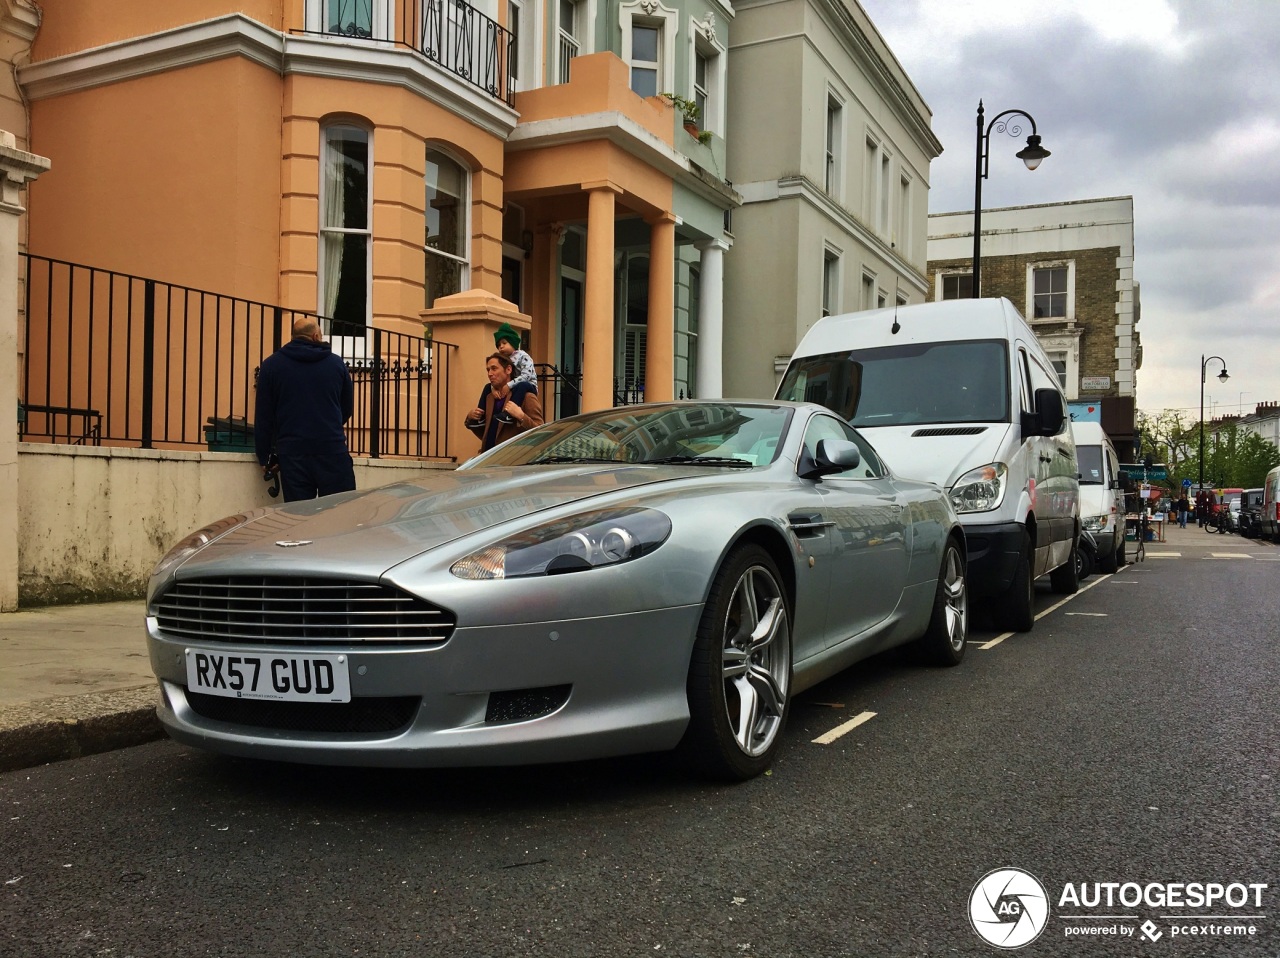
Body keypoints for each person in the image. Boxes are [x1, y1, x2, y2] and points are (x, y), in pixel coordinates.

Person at [254, 317, 356, 502]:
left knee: (299, 518)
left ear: (293, 337)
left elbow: (264, 416)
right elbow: (347, 408)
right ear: (316, 336)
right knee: (340, 515)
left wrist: (266, 456)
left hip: (292, 454)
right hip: (331, 450)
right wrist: (327, 425)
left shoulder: (271, 366)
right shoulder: (336, 364)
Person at [465, 352, 544, 452]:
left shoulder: (527, 397)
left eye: (494, 369)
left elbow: (540, 432)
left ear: (508, 369)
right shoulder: (489, 396)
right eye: (488, 370)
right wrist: (470, 418)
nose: (490, 373)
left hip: (513, 462)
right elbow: (487, 433)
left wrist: (521, 416)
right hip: (488, 459)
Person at [493, 322, 537, 390]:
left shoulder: (523, 356)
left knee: (521, 385)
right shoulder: (502, 359)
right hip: (511, 385)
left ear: (513, 344)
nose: (501, 346)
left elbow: (526, 376)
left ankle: (514, 401)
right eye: (498, 345)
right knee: (488, 387)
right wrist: (494, 388)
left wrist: (509, 385)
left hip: (528, 385)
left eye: (504, 343)